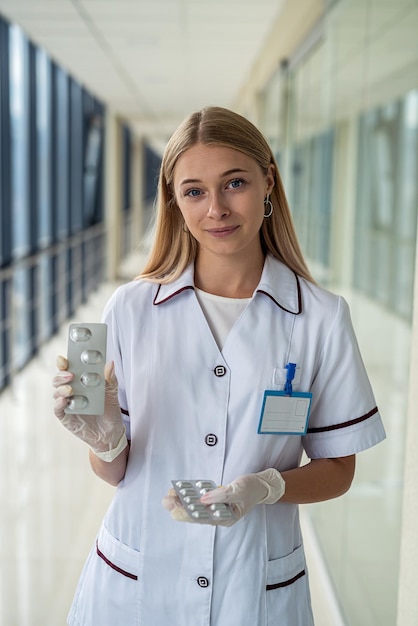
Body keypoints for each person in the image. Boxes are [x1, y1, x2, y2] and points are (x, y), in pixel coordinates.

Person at [53, 106, 386, 625]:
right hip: (136, 584)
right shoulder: (131, 308)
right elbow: (116, 472)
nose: (217, 209)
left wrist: (267, 487)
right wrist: (105, 440)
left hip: (253, 587)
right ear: (175, 200)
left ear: (268, 182)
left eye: (235, 183)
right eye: (194, 191)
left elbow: (340, 469)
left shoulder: (320, 317)